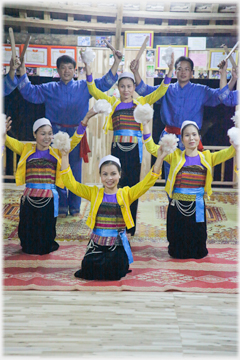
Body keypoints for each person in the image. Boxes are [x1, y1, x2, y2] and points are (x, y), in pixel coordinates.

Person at [17, 50, 122, 218]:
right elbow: (30, 93)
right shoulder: (49, 87)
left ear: (75, 70)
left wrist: (116, 62)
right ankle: (60, 207)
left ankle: (74, 207)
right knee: (56, 168)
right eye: (63, 68)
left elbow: (104, 84)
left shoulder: (84, 86)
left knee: (75, 170)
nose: (66, 71)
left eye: (70, 68)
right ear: (58, 71)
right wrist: (22, 71)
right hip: (54, 135)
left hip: (76, 133)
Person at [82, 53, 174, 235]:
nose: (125, 89)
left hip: (134, 152)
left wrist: (170, 71)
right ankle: (116, 223)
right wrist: (88, 68)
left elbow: (160, 92)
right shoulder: (112, 103)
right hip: (116, 150)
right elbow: (93, 90)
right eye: (122, 86)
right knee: (116, 186)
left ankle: (130, 227)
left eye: (129, 86)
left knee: (132, 187)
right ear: (118, 87)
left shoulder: (141, 102)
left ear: (134, 88)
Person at [60, 147, 167, 280]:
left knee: (115, 271)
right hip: (97, 244)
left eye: (113, 174)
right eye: (105, 174)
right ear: (100, 176)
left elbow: (147, 183)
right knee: (88, 268)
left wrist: (160, 158)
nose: (109, 178)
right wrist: (64, 156)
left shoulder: (126, 193)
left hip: (117, 244)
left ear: (120, 174)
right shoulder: (93, 193)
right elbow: (71, 184)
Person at [4, 107, 98, 255]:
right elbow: (7, 141)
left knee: (45, 242)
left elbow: (74, 140)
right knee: (27, 240)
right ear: (35, 134)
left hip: (48, 199)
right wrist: (3, 131)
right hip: (29, 199)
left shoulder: (57, 151)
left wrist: (85, 120)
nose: (47, 137)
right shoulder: (26, 148)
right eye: (43, 134)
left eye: (50, 134)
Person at [130, 55, 238, 182]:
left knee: (192, 172)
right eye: (180, 69)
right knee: (170, 172)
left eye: (187, 69)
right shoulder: (165, 89)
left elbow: (221, 97)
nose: (183, 72)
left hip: (191, 138)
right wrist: (135, 72)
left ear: (192, 73)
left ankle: (189, 199)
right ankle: (171, 201)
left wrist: (232, 79)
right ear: (175, 71)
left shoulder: (200, 90)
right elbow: (145, 91)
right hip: (169, 137)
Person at [142, 119, 236, 259]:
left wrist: (235, 138)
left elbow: (230, 152)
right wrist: (145, 123)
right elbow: (151, 147)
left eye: (194, 134)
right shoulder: (174, 156)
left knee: (198, 250)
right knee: (176, 249)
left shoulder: (208, 157)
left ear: (199, 137)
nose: (191, 138)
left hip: (197, 205)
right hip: (177, 206)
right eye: (187, 135)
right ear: (181, 139)